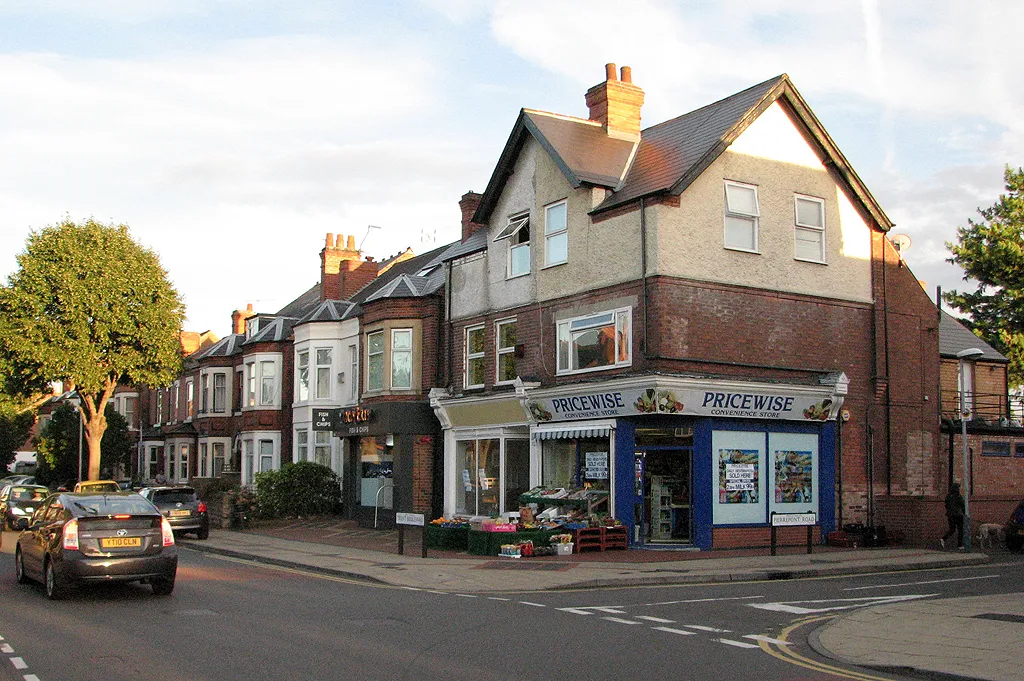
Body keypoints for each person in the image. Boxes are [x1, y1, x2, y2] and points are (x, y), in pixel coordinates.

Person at [941, 482, 965, 550]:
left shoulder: (948, 496)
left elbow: (946, 505)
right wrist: (964, 513)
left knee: (952, 529)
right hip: (958, 515)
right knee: (960, 530)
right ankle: (960, 545)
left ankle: (943, 539)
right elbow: (962, 505)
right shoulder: (958, 496)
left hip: (950, 515)